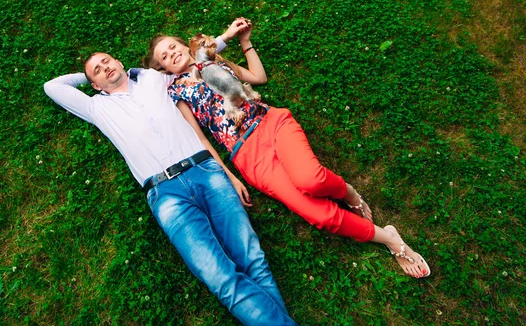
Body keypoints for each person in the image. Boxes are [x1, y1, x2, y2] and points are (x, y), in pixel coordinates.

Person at [43, 27, 349, 326]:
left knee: (252, 259)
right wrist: (87, 74)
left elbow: (195, 55)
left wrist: (228, 37)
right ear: (93, 84)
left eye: (107, 61)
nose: (105, 68)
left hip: (205, 171)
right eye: (98, 70)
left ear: (120, 60)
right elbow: (54, 88)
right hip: (166, 195)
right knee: (221, 278)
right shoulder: (96, 108)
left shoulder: (157, 80)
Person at [146, 19, 430, 279]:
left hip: (270, 123)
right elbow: (202, 141)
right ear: (164, 70)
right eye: (164, 57)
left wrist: (245, 41)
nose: (172, 54)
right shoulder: (177, 92)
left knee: (312, 180)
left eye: (173, 47)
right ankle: (390, 238)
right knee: (319, 215)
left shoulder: (213, 61)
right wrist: (231, 177)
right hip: (246, 155)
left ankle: (348, 192)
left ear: (185, 45)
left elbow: (258, 78)